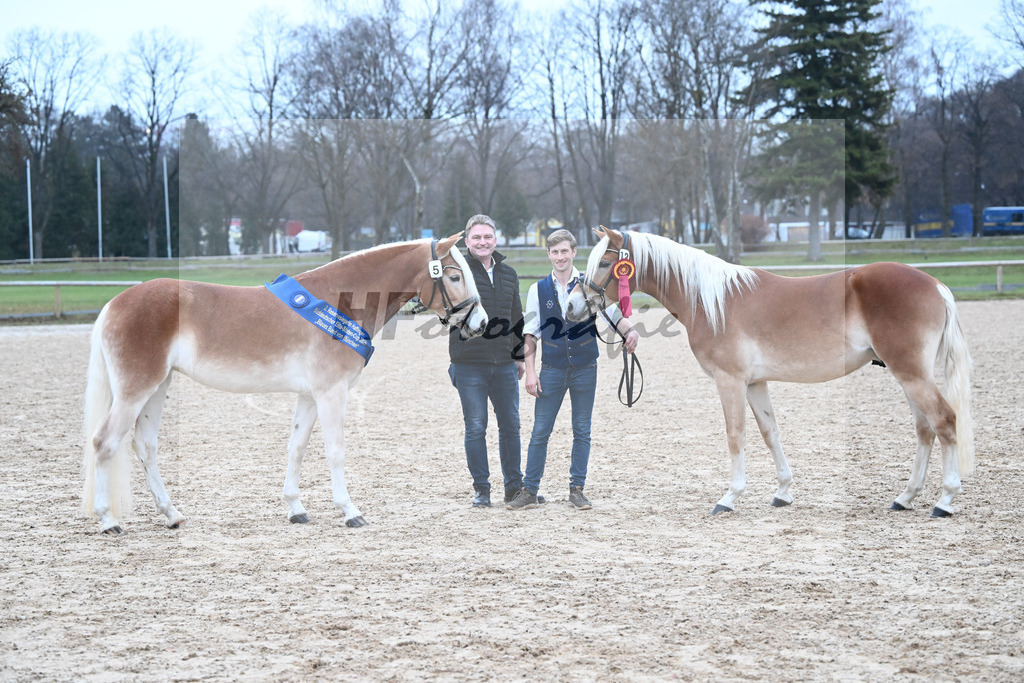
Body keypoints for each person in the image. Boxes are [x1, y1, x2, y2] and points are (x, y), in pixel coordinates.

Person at [508, 229, 639, 511]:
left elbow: (613, 314)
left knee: (582, 430)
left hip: (584, 367)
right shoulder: (537, 289)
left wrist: (630, 331)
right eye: (555, 252)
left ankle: (577, 489)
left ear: (573, 252)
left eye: (564, 251)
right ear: (549, 255)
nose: (560, 257)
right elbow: (530, 335)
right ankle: (529, 490)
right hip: (552, 368)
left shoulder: (590, 284)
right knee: (540, 431)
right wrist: (531, 373)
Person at [449, 214, 528, 508]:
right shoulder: (457, 273)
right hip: (469, 362)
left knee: (511, 426)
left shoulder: (508, 274)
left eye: (488, 237)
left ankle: (513, 487)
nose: (483, 242)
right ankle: (482, 490)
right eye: (477, 237)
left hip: (505, 364)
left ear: (496, 240)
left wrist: (519, 356)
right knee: (476, 426)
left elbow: (517, 317)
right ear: (467, 241)